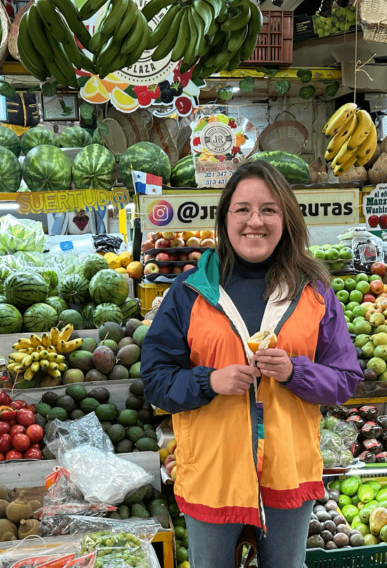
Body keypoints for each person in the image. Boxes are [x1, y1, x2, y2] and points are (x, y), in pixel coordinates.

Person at [140, 160, 362, 568]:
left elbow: (346, 379)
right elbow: (155, 381)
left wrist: (297, 372)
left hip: (288, 472)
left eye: (269, 209)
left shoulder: (314, 292)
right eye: (242, 209)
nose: (254, 221)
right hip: (213, 474)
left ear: (286, 218)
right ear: (225, 218)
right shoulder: (188, 292)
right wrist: (210, 381)